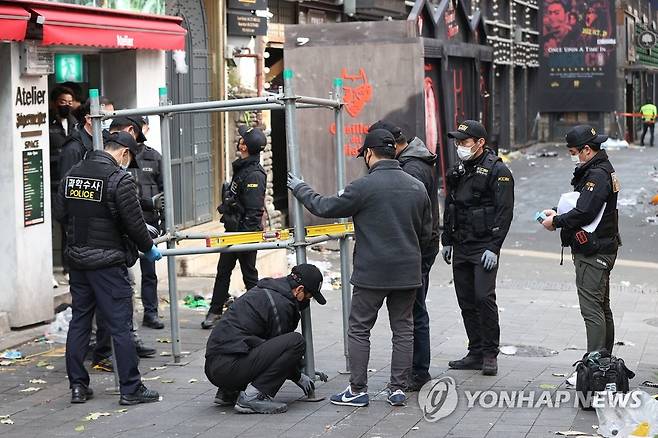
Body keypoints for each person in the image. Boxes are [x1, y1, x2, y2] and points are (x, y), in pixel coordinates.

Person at [287, 129, 432, 407]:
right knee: (403, 329)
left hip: (372, 274)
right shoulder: (417, 187)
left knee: (359, 329)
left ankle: (357, 390)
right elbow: (426, 234)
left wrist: (300, 188)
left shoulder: (363, 187)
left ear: (368, 153)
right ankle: (398, 389)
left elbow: (323, 206)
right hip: (407, 272)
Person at [53, 131, 163, 405]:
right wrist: (148, 247)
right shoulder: (118, 179)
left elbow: (61, 214)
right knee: (120, 325)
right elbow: (135, 224)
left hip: (77, 261)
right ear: (124, 154)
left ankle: (78, 386)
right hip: (107, 263)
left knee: (80, 320)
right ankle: (130, 388)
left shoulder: (73, 174)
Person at [368, 120, 440, 391]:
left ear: (394, 144)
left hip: (417, 249)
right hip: (420, 247)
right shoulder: (415, 162)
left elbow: (410, 215)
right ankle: (414, 368)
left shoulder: (413, 168)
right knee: (414, 310)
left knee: (414, 311)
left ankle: (418, 371)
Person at [442, 120, 514, 376]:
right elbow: (450, 206)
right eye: (458, 142)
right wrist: (446, 240)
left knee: (484, 298)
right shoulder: (459, 169)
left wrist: (494, 247)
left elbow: (505, 213)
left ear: (480, 143)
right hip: (461, 243)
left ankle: (489, 354)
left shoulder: (498, 170)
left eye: (465, 142)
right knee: (466, 301)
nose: (460, 146)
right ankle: (474, 352)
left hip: (483, 245)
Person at [541, 125, 620, 354]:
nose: (572, 156)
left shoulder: (596, 174)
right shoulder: (599, 169)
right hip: (602, 246)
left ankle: (596, 365)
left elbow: (585, 211)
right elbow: (585, 202)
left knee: (592, 309)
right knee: (601, 307)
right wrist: (558, 211)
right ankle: (603, 362)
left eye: (573, 152)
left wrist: (556, 222)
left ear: (586, 149)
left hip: (594, 251)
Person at [205, 264, 326, 414]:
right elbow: (282, 352)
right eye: (309, 296)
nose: (307, 301)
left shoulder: (268, 291)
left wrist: (304, 367)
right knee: (296, 342)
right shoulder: (281, 304)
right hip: (228, 367)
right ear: (299, 289)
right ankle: (253, 397)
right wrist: (299, 376)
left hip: (215, 366)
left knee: (255, 341)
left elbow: (270, 347)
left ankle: (229, 392)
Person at [202, 126, 267, 329]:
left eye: (241, 139)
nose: (239, 141)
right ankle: (215, 310)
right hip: (233, 231)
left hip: (244, 234)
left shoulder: (254, 174)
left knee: (249, 275)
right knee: (224, 271)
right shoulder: (244, 168)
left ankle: (263, 314)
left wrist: (244, 238)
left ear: (245, 146)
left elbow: (254, 211)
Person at [126, 117, 165, 329]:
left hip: (148, 223)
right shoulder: (122, 156)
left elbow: (165, 193)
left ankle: (151, 313)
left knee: (149, 271)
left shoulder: (154, 157)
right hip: (124, 223)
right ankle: (127, 318)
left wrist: (165, 223)